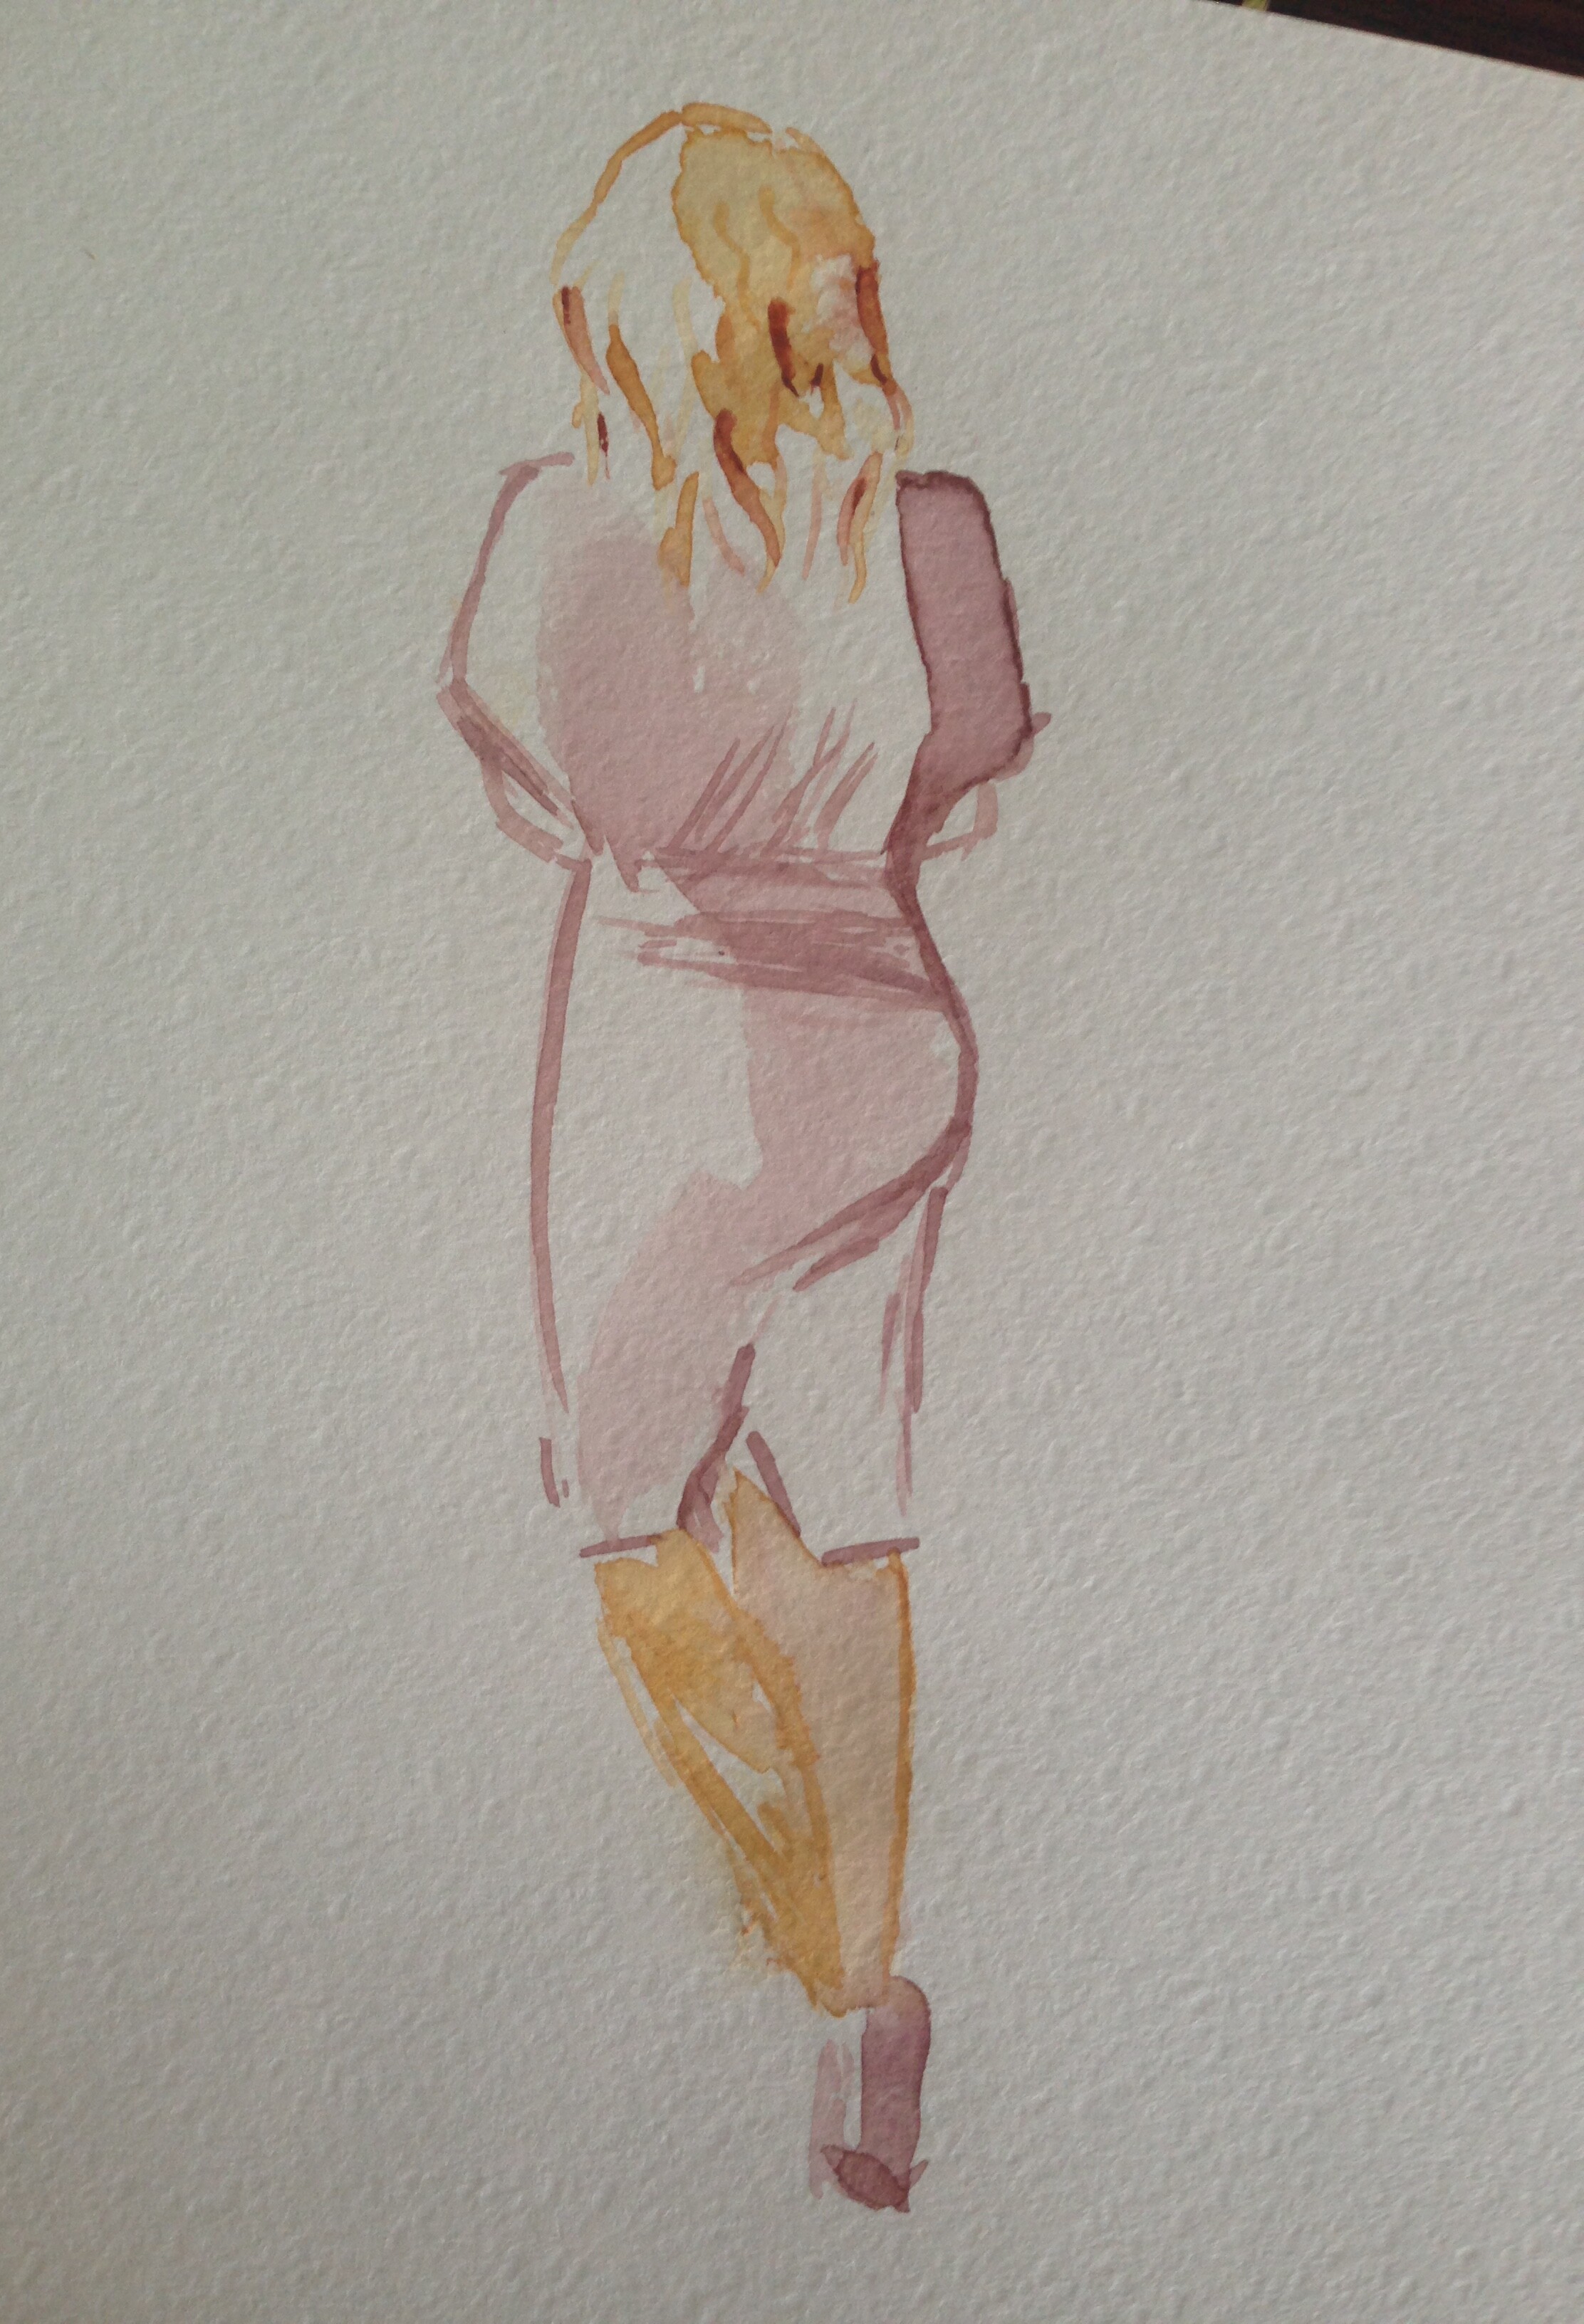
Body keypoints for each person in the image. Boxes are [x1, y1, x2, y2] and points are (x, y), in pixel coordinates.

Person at [439, 104, 1043, 2212]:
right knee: (839, 1514)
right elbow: (971, 775)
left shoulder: (574, 523)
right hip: (890, 1039)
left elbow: (560, 787)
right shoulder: (934, 527)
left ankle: (816, 1940)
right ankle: (859, 1991)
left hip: (676, 1052)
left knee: (625, 1508)